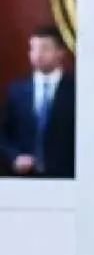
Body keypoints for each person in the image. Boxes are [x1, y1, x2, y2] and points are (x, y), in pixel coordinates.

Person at [0, 24, 75, 178]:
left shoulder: (75, 90)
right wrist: (14, 157)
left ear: (60, 52)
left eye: (45, 48)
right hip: (24, 178)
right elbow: (3, 135)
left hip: (65, 179)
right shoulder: (16, 91)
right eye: (33, 48)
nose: (38, 54)